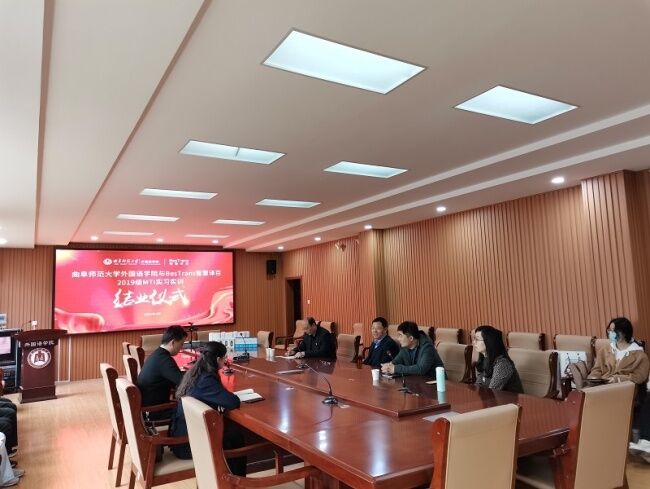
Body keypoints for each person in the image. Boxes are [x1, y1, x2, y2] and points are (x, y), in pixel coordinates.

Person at [169, 341, 246, 475]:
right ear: (218, 359)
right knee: (235, 435)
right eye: (224, 358)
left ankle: (231, 478)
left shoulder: (195, 372)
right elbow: (233, 402)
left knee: (232, 431)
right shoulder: (206, 380)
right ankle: (236, 480)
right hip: (188, 444)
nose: (226, 361)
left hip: (184, 436)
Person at [137, 325, 188, 419]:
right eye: (181, 344)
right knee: (195, 412)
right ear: (173, 342)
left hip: (149, 407)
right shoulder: (165, 360)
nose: (181, 348)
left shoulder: (157, 354)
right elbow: (183, 383)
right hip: (156, 411)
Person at [589, 317, 649, 385]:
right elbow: (597, 369)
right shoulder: (604, 350)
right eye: (609, 330)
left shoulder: (640, 355)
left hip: (625, 388)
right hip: (602, 386)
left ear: (624, 333)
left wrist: (618, 379)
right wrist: (594, 378)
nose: (610, 333)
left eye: (614, 331)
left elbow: (640, 377)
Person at [473, 325, 523, 393]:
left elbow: (492, 391)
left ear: (489, 341)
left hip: (509, 399)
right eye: (474, 339)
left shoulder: (502, 364)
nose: (474, 342)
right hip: (492, 398)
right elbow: (478, 385)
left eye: (477, 339)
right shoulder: (484, 359)